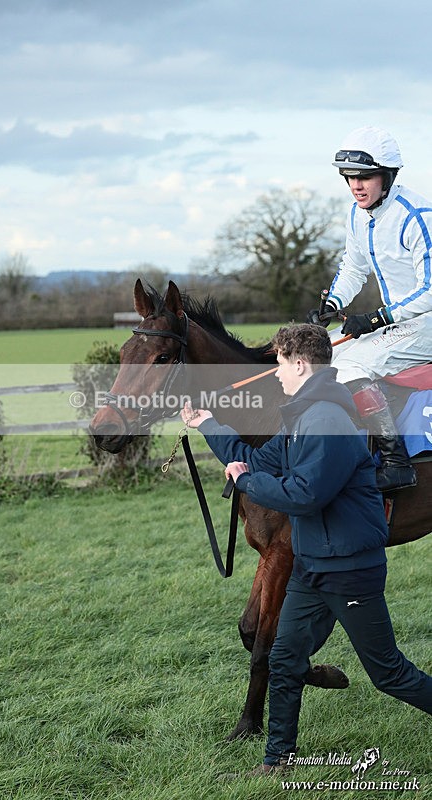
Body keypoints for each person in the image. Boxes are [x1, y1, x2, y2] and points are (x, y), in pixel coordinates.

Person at [181, 323, 432, 774]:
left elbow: (303, 494)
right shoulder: (301, 415)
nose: (274, 373)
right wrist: (208, 425)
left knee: (389, 673)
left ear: (300, 364)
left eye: (279, 363)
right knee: (284, 657)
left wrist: (245, 481)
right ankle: (278, 760)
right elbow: (259, 460)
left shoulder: (328, 420)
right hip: (313, 565)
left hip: (349, 569)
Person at [308, 125, 432, 492]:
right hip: (399, 324)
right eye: (349, 178)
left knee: (349, 364)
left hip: (425, 324)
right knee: (316, 353)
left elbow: (430, 290)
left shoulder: (417, 216)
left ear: (388, 175)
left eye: (365, 177)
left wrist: (379, 317)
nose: (356, 186)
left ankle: (397, 463)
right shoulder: (356, 216)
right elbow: (353, 267)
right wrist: (333, 302)